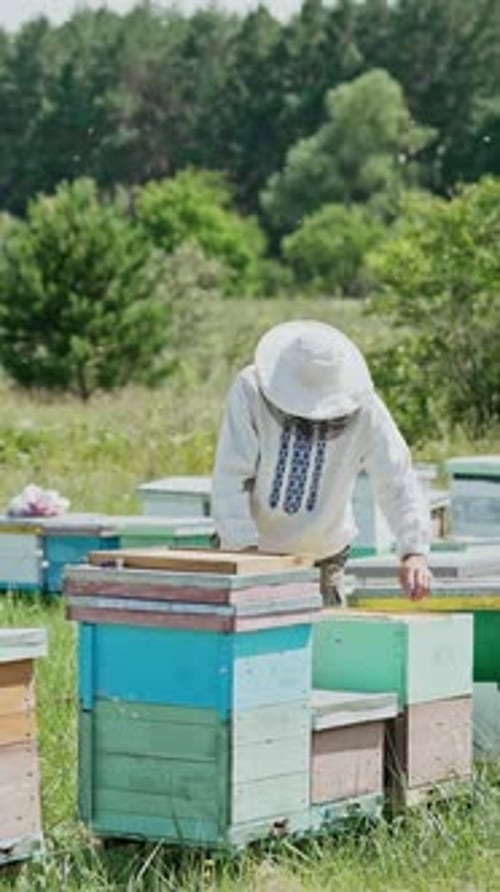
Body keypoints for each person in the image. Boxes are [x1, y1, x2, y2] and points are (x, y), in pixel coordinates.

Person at [212, 320, 432, 605]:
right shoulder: (250, 390)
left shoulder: (366, 409)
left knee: (327, 645)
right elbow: (231, 476)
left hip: (324, 558)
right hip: (248, 554)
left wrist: (414, 551)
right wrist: (244, 550)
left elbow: (398, 480)